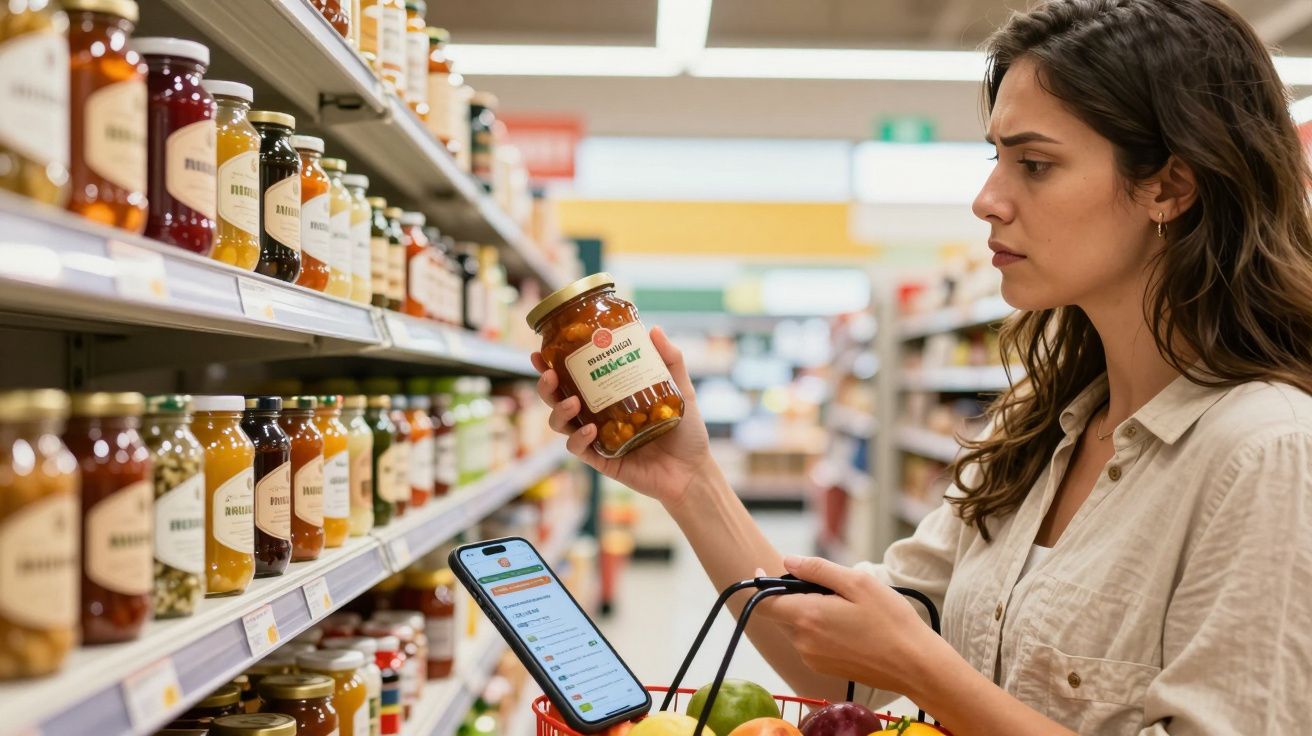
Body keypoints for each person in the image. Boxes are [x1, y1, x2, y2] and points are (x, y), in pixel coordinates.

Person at [532, 0, 1312, 733]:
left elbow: (901, 665)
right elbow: (833, 664)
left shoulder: (1266, 454)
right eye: (996, 158)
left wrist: (924, 671)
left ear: (1169, 186)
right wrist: (691, 480)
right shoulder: (1041, 430)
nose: (987, 199)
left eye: (1035, 164)